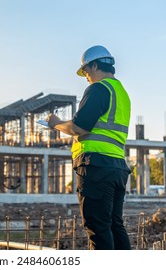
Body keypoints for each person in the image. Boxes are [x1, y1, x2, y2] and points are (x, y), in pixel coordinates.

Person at [47, 45, 131, 250]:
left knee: (97, 228)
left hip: (95, 166)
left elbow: (79, 127)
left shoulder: (99, 88)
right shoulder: (122, 93)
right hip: (117, 166)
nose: (85, 76)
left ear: (94, 65)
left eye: (85, 70)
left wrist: (56, 123)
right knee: (113, 225)